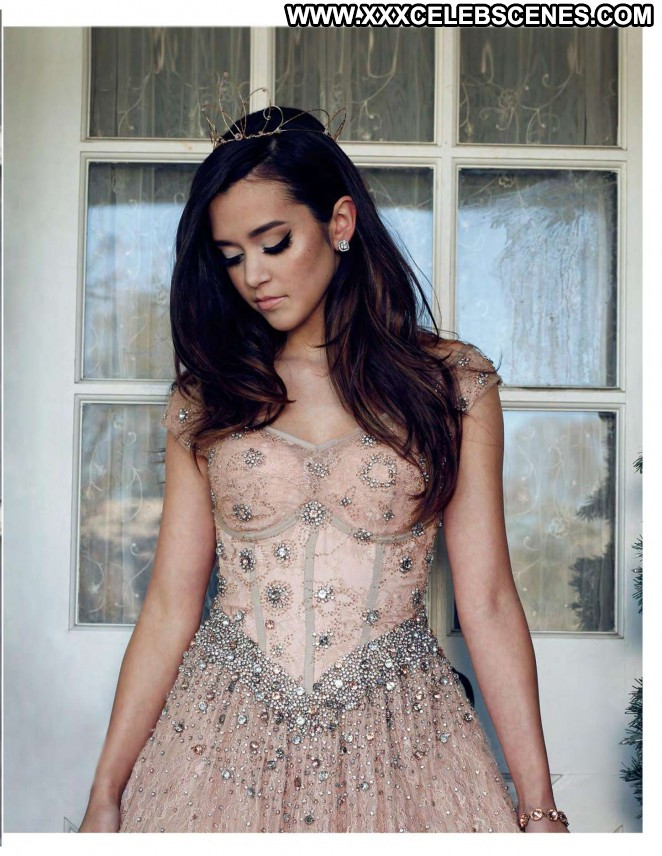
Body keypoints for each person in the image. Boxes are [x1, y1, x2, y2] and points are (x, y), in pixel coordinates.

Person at [79, 96, 570, 834]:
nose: (253, 275)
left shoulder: (450, 384)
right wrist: (105, 795)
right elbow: (170, 606)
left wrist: (540, 809)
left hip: (405, 747)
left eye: (274, 243)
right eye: (232, 255)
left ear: (340, 223)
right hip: (219, 746)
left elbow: (490, 601)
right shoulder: (209, 396)